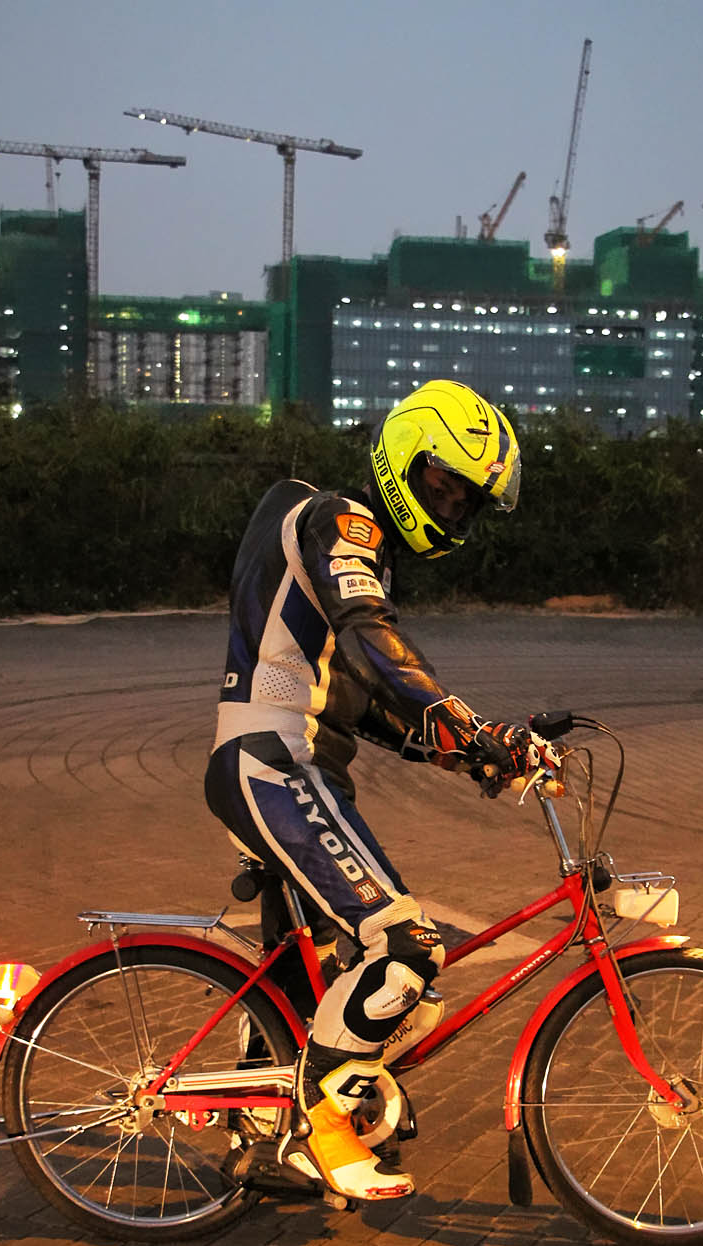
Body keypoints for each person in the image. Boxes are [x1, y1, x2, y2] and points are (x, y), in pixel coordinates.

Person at [205, 379, 532, 1203]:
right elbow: (371, 636)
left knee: (309, 970)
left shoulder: (340, 537)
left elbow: (359, 700)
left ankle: (266, 1135)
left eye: (469, 502)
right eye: (445, 486)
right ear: (403, 457)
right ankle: (322, 1126)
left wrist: (467, 754)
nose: (454, 511)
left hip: (286, 765)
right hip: (273, 765)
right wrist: (462, 717)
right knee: (408, 949)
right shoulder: (342, 520)